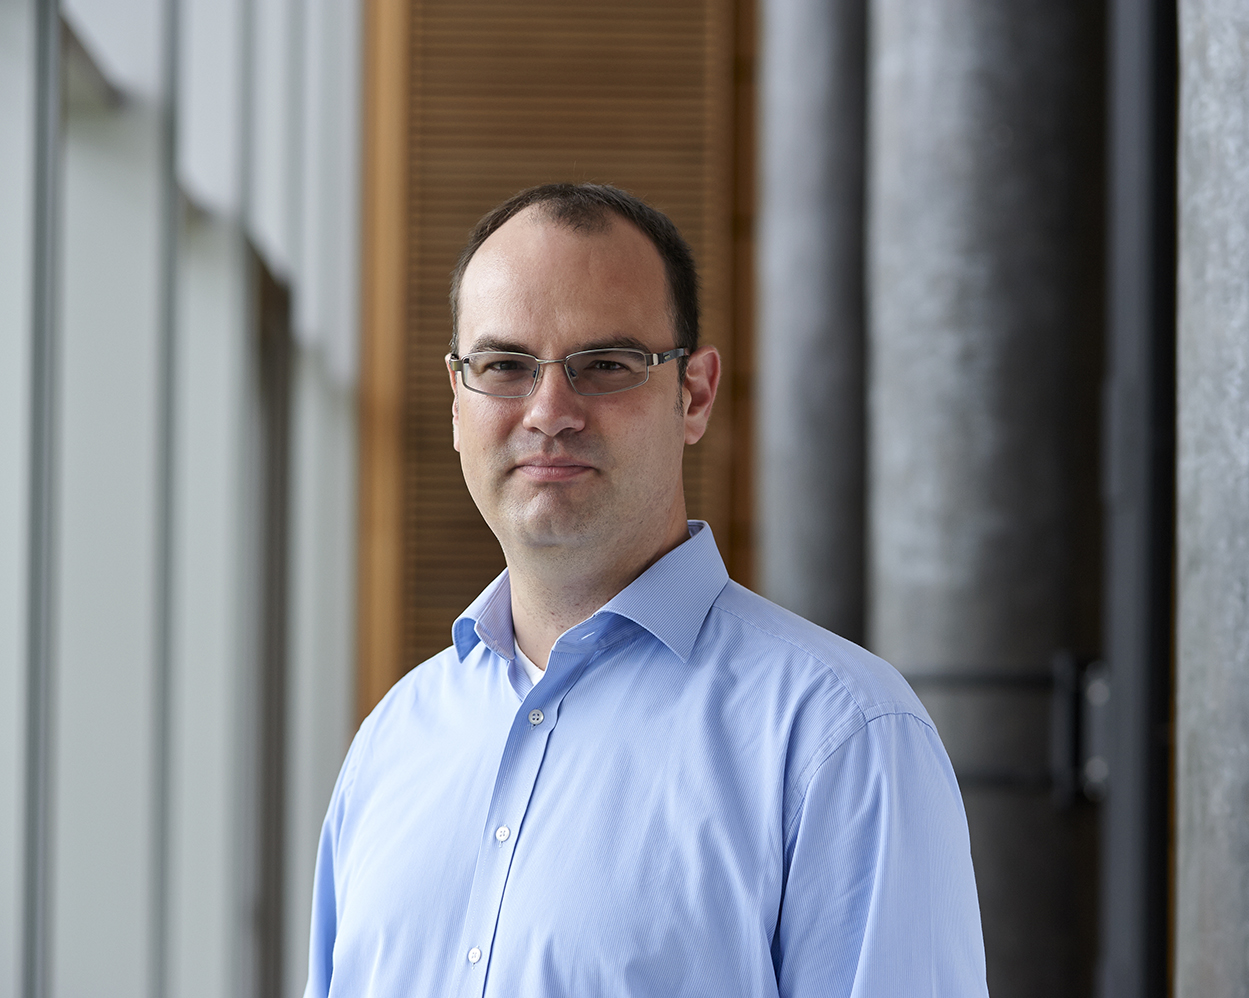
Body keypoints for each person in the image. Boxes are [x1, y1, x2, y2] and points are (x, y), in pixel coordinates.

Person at [303, 183, 987, 997]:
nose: (550, 410)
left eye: (605, 366)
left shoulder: (839, 739)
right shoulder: (393, 744)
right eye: (504, 366)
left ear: (692, 394)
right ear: (457, 399)